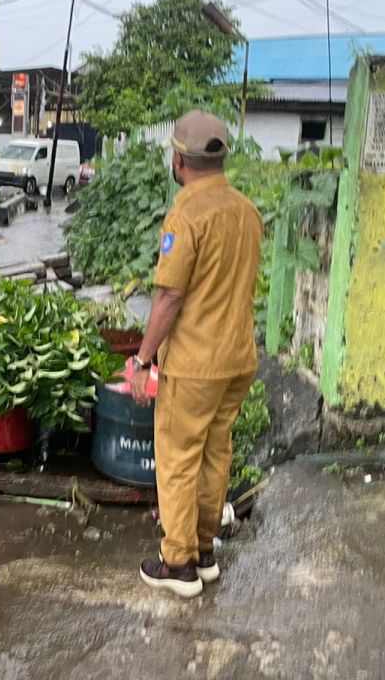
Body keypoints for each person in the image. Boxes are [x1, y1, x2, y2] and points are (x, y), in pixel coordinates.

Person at [130, 110, 262, 600]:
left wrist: (142, 361)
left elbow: (169, 297)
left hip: (195, 363)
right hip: (238, 359)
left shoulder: (186, 216)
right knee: (214, 452)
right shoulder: (246, 211)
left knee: (179, 458)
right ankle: (205, 551)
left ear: (179, 159)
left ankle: (178, 563)